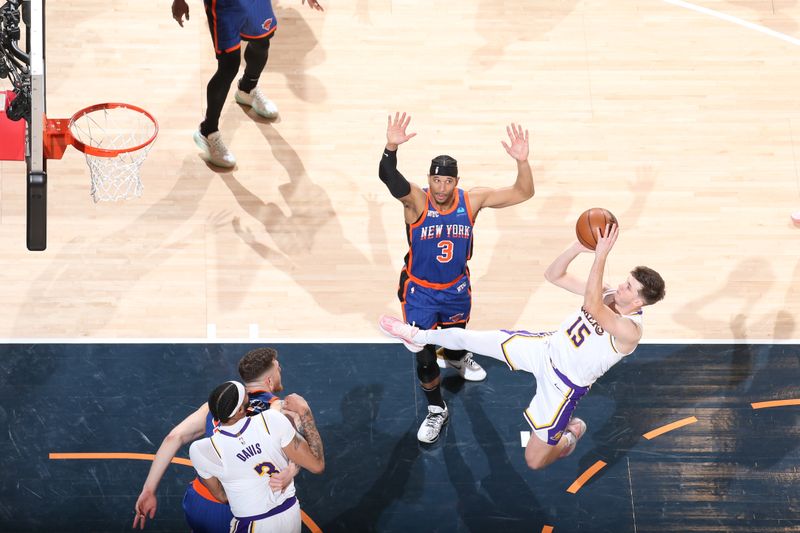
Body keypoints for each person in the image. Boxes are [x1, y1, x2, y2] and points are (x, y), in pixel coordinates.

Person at [379, 224, 665, 469]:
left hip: (563, 387)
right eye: (626, 281)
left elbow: (592, 304)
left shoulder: (630, 332)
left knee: (534, 460)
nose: (622, 287)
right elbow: (553, 275)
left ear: (639, 302)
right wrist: (578, 247)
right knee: (473, 339)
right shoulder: (610, 292)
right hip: (544, 348)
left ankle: (572, 433)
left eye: (629, 287)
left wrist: (601, 256)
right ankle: (416, 335)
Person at [377, 112, 535, 443]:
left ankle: (457, 360)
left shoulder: (471, 200)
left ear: (456, 181)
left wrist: (522, 161)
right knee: (423, 357)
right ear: (429, 180)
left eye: (448, 181)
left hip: (456, 290)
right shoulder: (416, 200)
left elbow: (523, 192)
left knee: (455, 341)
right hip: (419, 292)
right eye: (437, 180)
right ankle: (437, 410)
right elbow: (388, 176)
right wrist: (391, 145)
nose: (441, 187)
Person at [133, 347, 300, 531]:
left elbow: (174, 437)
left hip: (200, 501)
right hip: (240, 509)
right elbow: (299, 456)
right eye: (278, 369)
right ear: (269, 380)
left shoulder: (221, 402)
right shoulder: (280, 411)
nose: (281, 371)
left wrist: (148, 490)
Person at [170, 0, 324, 168]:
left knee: (262, 43)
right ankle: (208, 131)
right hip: (224, 5)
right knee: (229, 66)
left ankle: (247, 89)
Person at [189, 381, 324, 532]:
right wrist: (305, 411)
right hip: (290, 514)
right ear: (241, 409)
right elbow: (317, 465)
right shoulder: (272, 420)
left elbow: (221, 496)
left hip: (253, 523)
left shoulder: (202, 450)